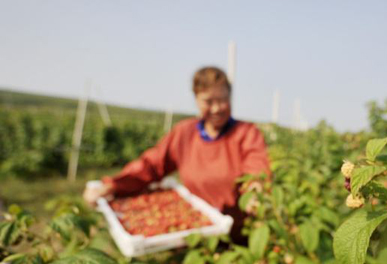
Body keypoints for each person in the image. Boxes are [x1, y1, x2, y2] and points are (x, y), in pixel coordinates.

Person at [83, 66, 270, 241]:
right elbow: (151, 165)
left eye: (222, 100)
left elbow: (256, 166)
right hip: (193, 232)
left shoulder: (246, 133)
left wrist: (255, 190)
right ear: (196, 99)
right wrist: (113, 185)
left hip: (236, 235)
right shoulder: (185, 133)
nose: (216, 108)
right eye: (208, 101)